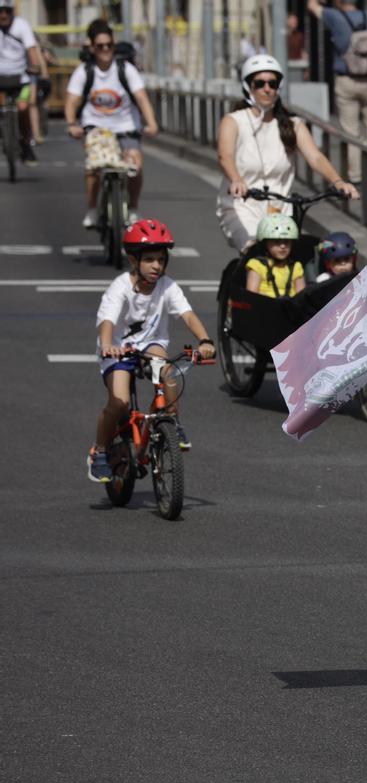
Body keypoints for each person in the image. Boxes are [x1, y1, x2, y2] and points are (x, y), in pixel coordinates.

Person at [88, 220, 216, 482]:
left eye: (160, 259)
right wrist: (108, 344)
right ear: (134, 260)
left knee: (166, 368)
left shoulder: (167, 285)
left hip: (150, 345)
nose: (156, 265)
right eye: (149, 259)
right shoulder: (120, 286)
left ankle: (171, 421)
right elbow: (107, 322)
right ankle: (99, 451)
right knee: (119, 401)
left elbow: (187, 315)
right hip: (119, 350)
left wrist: (205, 340)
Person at [216, 54, 358, 253]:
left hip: (280, 209)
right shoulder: (233, 121)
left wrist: (338, 182)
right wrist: (236, 180)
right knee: (255, 251)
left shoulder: (293, 125)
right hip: (242, 206)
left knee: (298, 258)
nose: (267, 89)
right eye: (260, 83)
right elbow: (226, 155)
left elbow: (315, 157)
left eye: (272, 84)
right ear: (249, 86)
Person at [65, 20, 159, 228]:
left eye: (109, 45)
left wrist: (151, 123)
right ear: (92, 47)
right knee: (95, 166)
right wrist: (72, 123)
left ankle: (133, 208)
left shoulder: (126, 70)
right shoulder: (84, 71)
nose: (105, 50)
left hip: (126, 127)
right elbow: (72, 100)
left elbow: (141, 97)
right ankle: (91, 209)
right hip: (96, 128)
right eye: (100, 46)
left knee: (135, 164)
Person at [307, 0, 367, 187]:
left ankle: (355, 176)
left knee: (351, 131)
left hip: (347, 80)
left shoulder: (334, 16)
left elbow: (311, 6)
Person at [0, 0, 44, 164]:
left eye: (7, 11)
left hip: (20, 77)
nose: (3, 15)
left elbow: (31, 49)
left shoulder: (22, 25)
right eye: (0, 11)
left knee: (23, 108)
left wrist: (35, 66)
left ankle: (26, 144)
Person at [245, 214, 306, 297]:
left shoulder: (296, 267)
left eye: (287, 242)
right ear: (265, 244)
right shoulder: (257, 265)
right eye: (276, 242)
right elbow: (251, 295)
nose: (283, 246)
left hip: (290, 308)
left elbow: (302, 296)